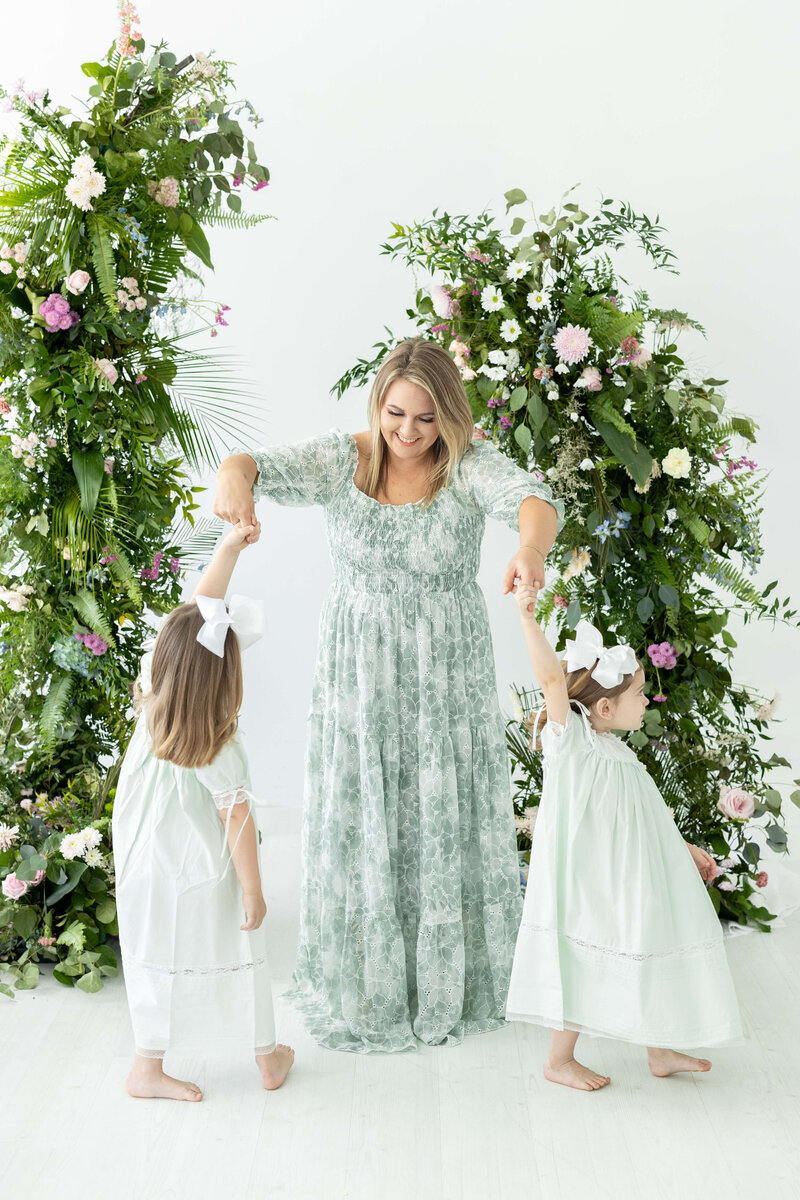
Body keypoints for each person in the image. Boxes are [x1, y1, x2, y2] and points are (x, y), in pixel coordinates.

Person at [213, 337, 564, 1053]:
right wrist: (232, 476)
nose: (407, 432)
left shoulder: (465, 468)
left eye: (425, 419)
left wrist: (529, 550)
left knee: (437, 809)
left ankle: (448, 977)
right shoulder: (344, 459)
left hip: (444, 670)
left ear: (449, 420)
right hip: (359, 669)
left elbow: (534, 500)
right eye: (395, 413)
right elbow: (254, 464)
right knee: (367, 806)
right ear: (377, 404)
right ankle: (369, 976)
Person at [505, 583, 743, 1090]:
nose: (647, 699)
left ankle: (658, 1049)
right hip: (589, 880)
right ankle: (558, 1059)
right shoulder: (572, 745)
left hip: (632, 877)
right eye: (637, 693)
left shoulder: (621, 756)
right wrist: (528, 620)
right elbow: (551, 678)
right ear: (605, 708)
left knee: (650, 938)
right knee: (581, 952)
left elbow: (643, 819)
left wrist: (684, 850)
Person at [113, 520, 294, 1100]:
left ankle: (148, 1063)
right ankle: (266, 1056)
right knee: (241, 947)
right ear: (225, 678)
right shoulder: (216, 745)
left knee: (155, 955)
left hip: (145, 862)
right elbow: (235, 821)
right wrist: (253, 891)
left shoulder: (151, 695)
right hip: (198, 867)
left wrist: (226, 550)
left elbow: (198, 609)